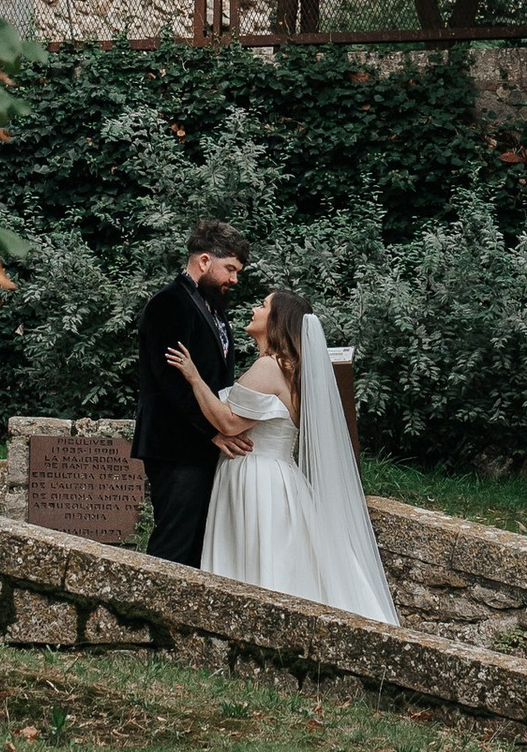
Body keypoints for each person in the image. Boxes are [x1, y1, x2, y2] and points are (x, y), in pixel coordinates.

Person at [163, 284, 399, 625]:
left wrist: (193, 376)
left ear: (277, 320)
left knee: (262, 554)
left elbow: (229, 422)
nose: (255, 310)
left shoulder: (269, 368)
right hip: (277, 473)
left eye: (263, 306)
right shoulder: (290, 371)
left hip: (258, 477)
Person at [132, 219, 251, 566]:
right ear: (203, 261)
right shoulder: (168, 304)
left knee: (198, 548)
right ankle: (146, 616)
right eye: (230, 269)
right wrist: (214, 431)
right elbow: (171, 383)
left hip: (200, 449)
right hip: (175, 449)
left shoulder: (214, 308)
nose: (234, 279)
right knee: (173, 546)